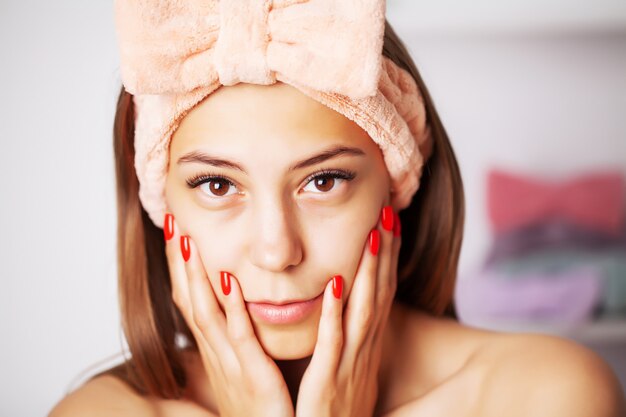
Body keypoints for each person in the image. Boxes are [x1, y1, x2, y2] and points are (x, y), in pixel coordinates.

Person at [50, 1, 625, 416]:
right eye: (218, 186)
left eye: (323, 181)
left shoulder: (545, 395)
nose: (277, 251)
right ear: (160, 206)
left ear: (396, 187)